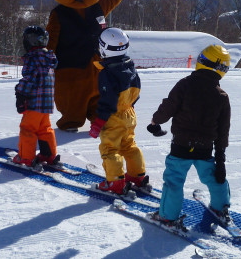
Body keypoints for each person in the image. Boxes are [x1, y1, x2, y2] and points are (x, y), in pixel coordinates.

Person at [147, 44, 232, 227]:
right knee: (214, 176)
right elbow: (223, 131)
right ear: (222, 69)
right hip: (204, 148)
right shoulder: (222, 96)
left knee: (174, 180)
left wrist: (155, 121)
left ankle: (168, 216)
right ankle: (220, 207)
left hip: (181, 146)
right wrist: (221, 160)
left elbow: (168, 107)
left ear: (201, 62)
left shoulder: (184, 85)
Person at [88, 27, 147, 195]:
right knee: (129, 145)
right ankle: (137, 175)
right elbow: (137, 89)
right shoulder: (130, 65)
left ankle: (115, 182)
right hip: (129, 113)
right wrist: (130, 105)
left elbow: (108, 101)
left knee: (110, 149)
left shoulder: (107, 73)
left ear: (104, 49)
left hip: (113, 117)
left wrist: (98, 123)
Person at [13, 26, 59, 166]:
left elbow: (29, 79)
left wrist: (20, 93)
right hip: (46, 104)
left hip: (34, 103)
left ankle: (25, 157)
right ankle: (48, 154)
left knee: (28, 128)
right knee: (44, 128)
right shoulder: (49, 58)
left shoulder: (33, 58)